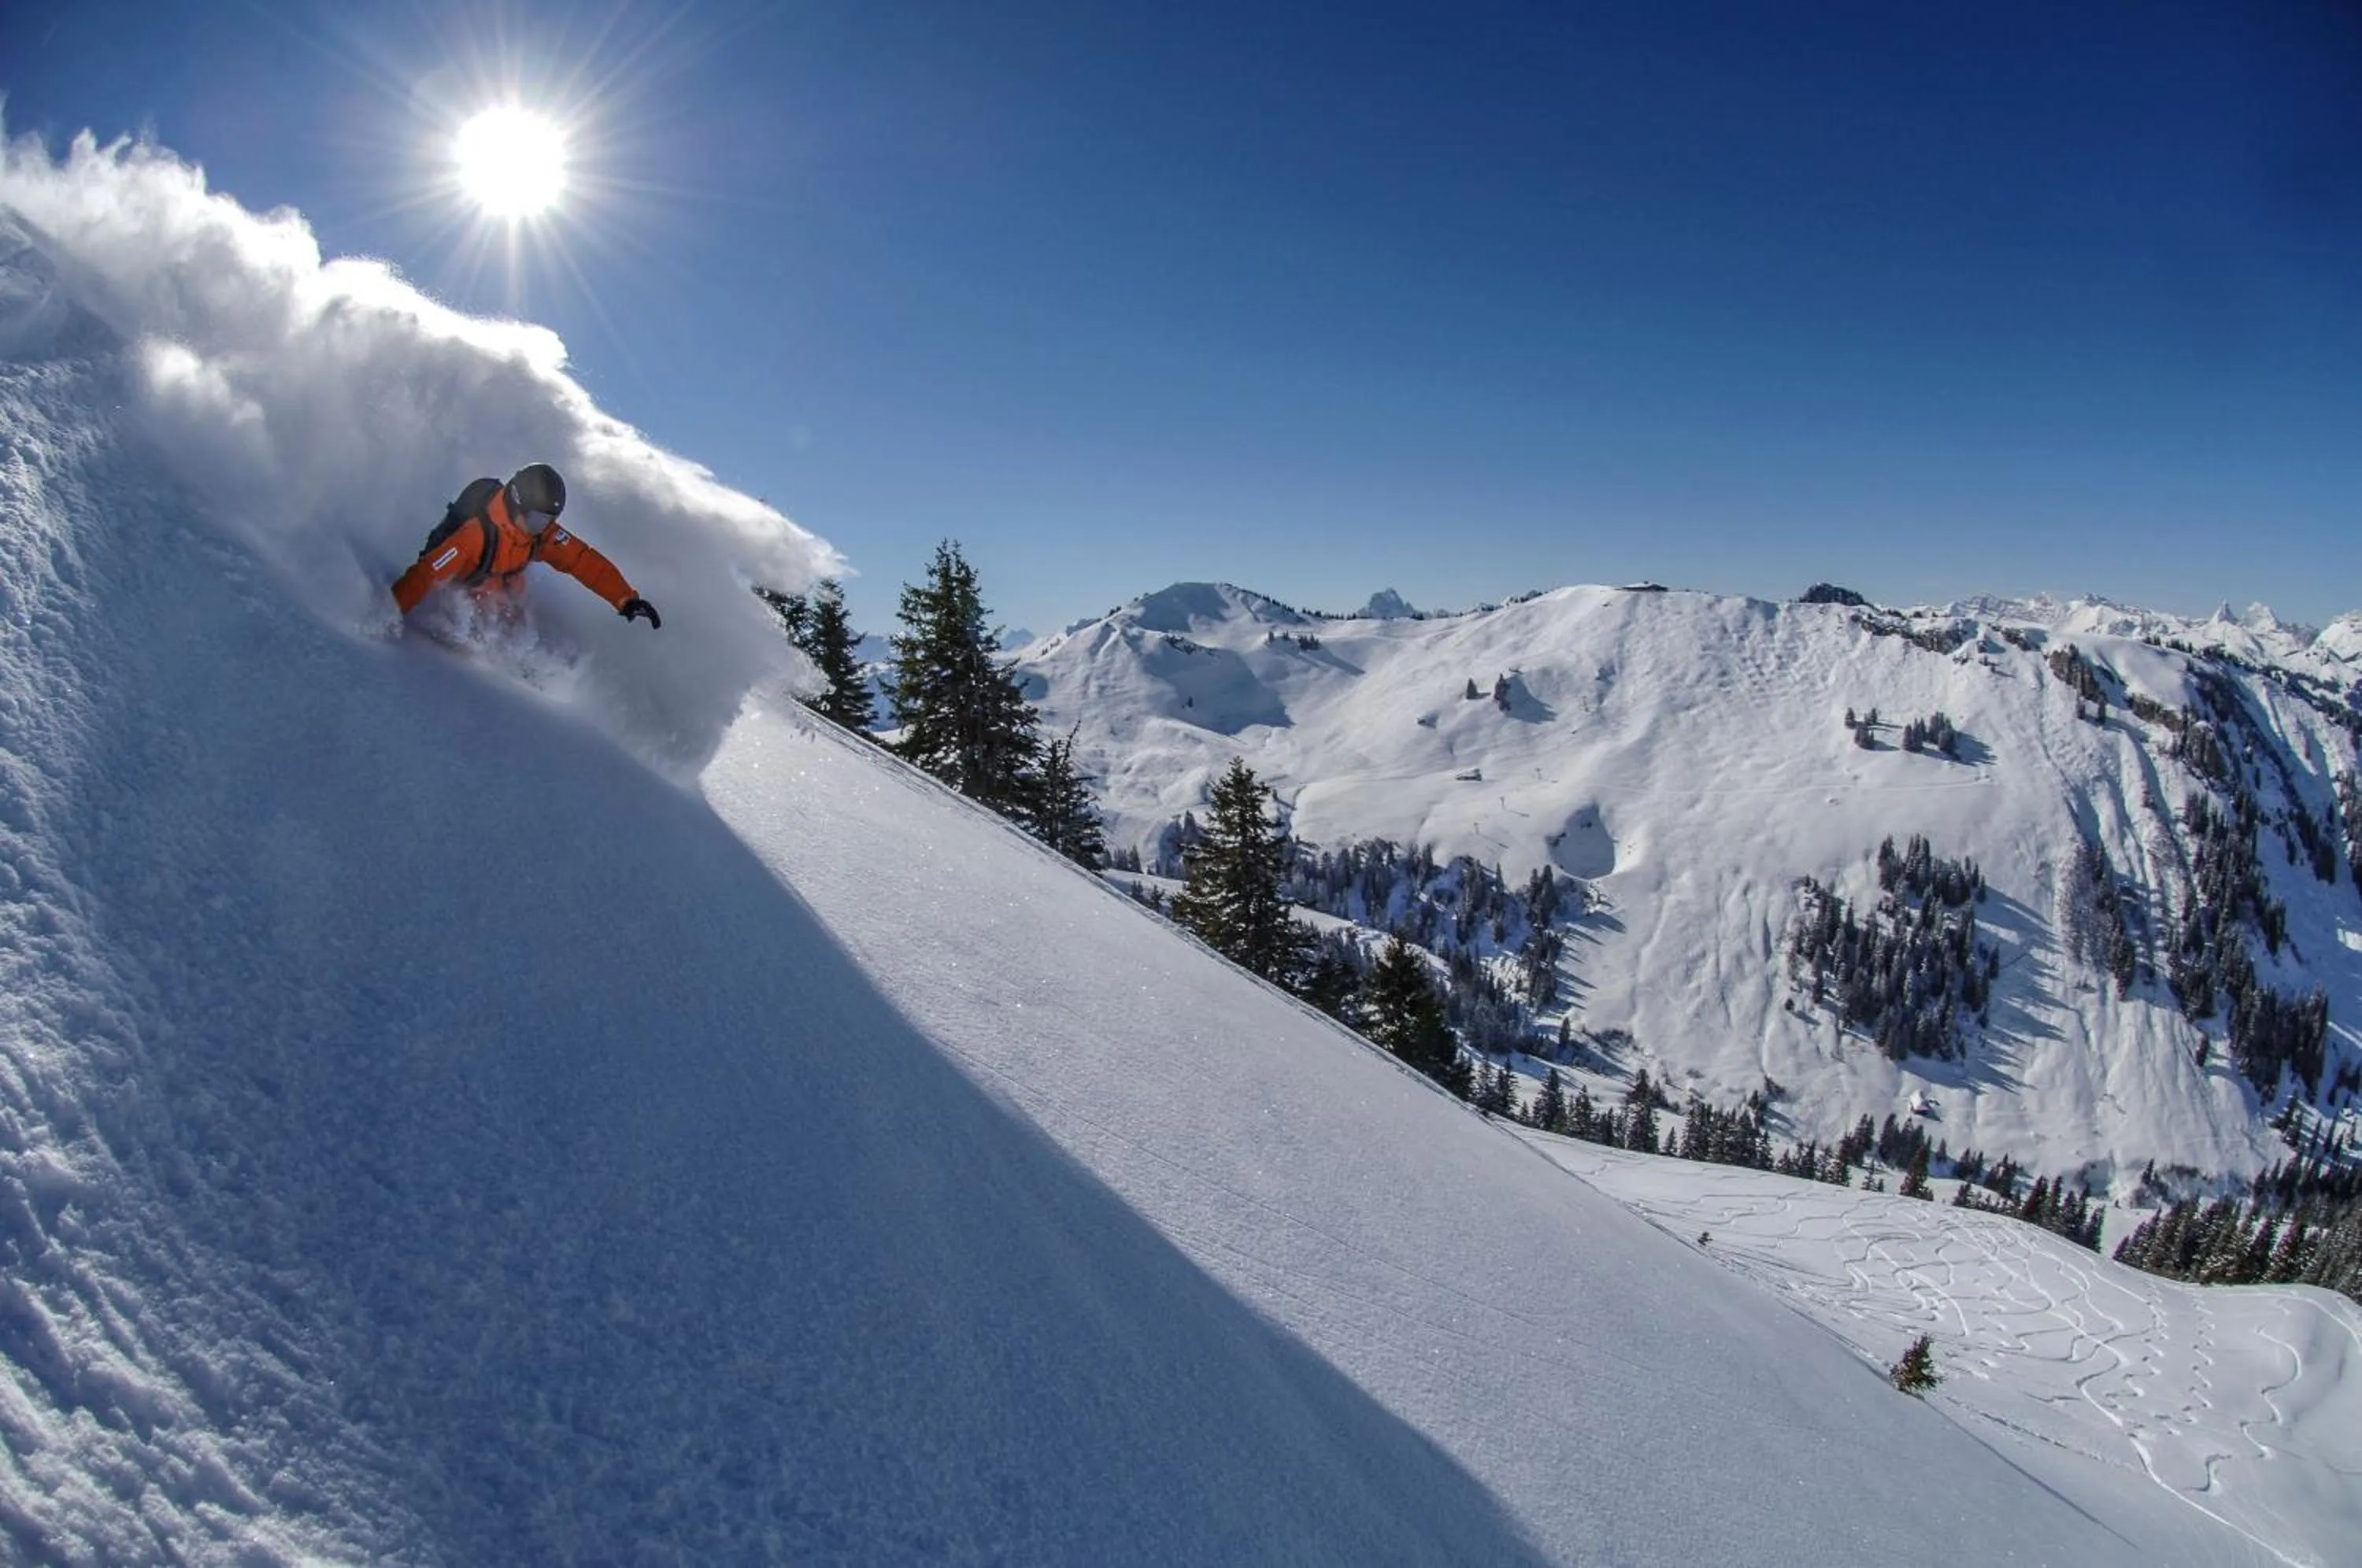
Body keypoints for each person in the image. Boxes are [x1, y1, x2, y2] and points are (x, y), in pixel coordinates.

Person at [391, 463, 661, 629]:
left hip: (505, 601)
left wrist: (625, 598)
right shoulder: (474, 535)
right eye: (536, 519)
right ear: (517, 503)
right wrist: (389, 612)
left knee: (519, 620)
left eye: (549, 520)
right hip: (464, 599)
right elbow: (427, 573)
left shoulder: (541, 533)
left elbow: (583, 561)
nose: (543, 528)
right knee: (479, 617)